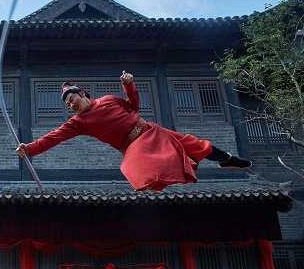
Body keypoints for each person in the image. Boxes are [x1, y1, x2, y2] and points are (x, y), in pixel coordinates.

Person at [16, 72, 252, 191]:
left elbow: (134, 106)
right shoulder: (77, 123)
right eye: (67, 103)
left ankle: (228, 159)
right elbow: (52, 138)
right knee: (140, 172)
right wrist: (29, 148)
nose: (70, 104)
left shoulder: (108, 100)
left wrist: (129, 84)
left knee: (198, 145)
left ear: (83, 94)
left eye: (72, 98)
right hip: (134, 146)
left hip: (151, 131)